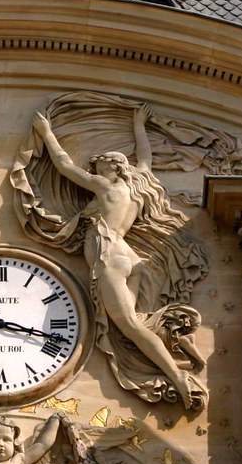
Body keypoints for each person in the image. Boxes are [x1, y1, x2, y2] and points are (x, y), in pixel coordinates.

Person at [32, 106, 203, 408]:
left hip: (109, 253)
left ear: (112, 169)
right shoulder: (138, 184)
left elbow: (65, 166)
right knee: (134, 322)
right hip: (129, 257)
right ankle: (178, 343)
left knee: (129, 326)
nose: (94, 170)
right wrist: (139, 124)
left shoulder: (106, 188)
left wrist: (46, 133)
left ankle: (176, 376)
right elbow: (145, 158)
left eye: (99, 166)